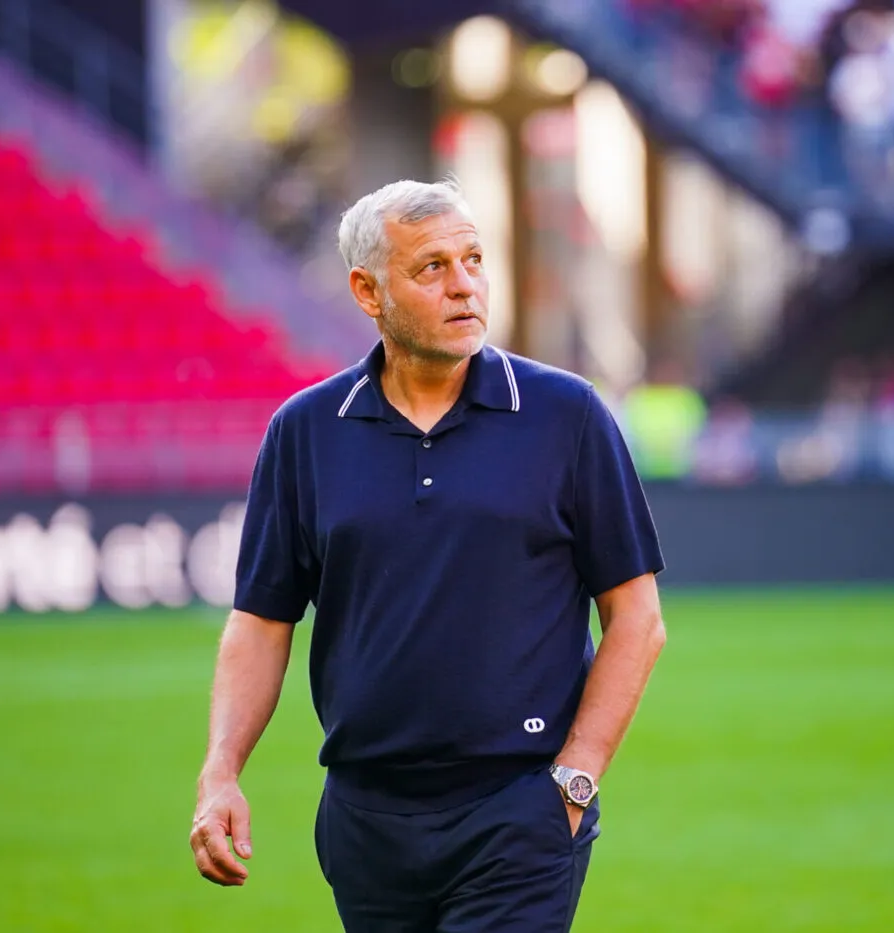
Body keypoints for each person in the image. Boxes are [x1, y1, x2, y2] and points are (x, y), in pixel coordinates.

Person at [190, 178, 668, 933]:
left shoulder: (567, 415)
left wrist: (574, 781)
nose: (464, 285)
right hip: (364, 820)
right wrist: (220, 773)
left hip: (520, 811)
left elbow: (637, 617)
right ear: (368, 291)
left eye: (473, 259)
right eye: (432, 268)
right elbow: (260, 623)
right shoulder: (305, 431)